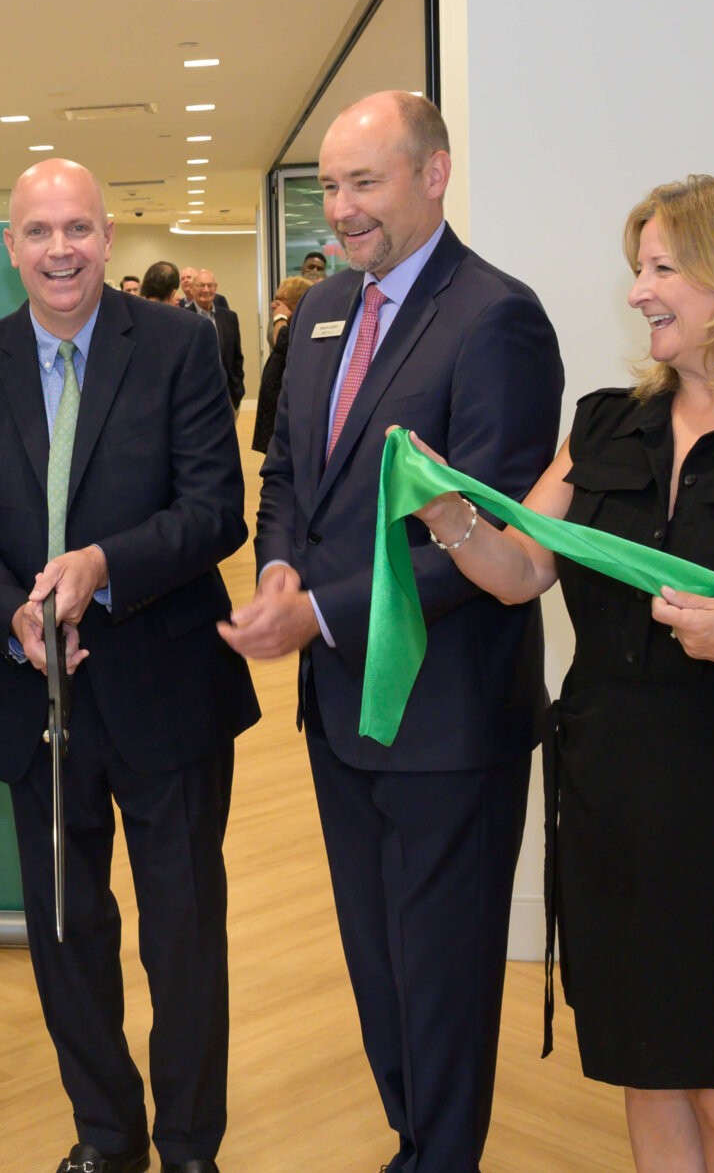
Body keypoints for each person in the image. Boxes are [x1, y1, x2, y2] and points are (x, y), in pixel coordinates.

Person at [405, 174, 714, 1173]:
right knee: (645, 1072)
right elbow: (518, 570)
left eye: (660, 268)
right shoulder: (601, 428)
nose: (636, 291)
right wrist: (444, 509)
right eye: (636, 267)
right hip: (611, 804)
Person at [220, 92, 563, 1173]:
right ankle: (413, 1143)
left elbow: (492, 536)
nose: (340, 207)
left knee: (441, 973)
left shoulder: (494, 317)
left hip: (447, 717)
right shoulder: (321, 311)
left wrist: (318, 609)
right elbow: (287, 477)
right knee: (376, 964)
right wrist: (278, 560)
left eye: (362, 182)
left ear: (433, 175)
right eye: (327, 185)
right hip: (340, 710)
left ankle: (439, 1155)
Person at [0, 159, 258, 1173]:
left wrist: (103, 566)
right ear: (9, 247)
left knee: (181, 935)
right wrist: (13, 614)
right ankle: (105, 1134)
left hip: (167, 689)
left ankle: (189, 1144)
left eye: (77, 228)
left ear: (108, 238)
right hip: (35, 696)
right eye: (37, 231)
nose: (58, 248)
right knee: (68, 933)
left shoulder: (176, 347)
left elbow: (214, 509)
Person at [249, 275, 314, 455]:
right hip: (274, 392)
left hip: (286, 396)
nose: (273, 304)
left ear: (293, 303)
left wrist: (280, 318)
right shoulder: (288, 319)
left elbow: (281, 342)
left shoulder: (301, 322)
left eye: (279, 299)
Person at [189, 269, 245, 413]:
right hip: (196, 395)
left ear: (216, 288)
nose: (206, 290)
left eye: (210, 285)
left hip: (228, 392)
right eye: (201, 285)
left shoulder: (229, 317)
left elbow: (237, 356)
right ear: (192, 289)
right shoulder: (183, 316)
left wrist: (238, 386)